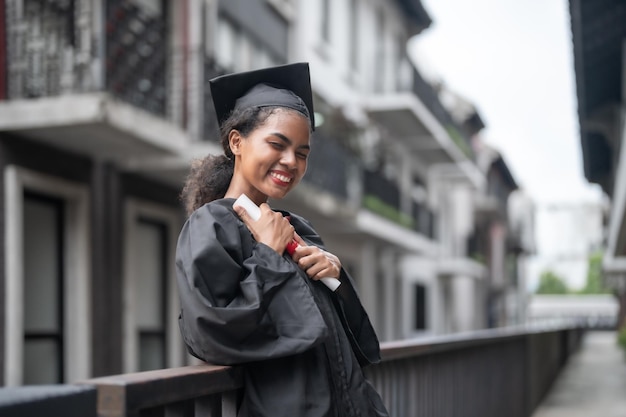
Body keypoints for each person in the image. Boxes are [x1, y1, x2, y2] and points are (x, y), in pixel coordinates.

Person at [175, 62, 389, 417]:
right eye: (277, 144)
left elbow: (338, 339)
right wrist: (268, 255)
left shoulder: (296, 228)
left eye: (302, 153)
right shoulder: (211, 225)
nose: (291, 161)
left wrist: (337, 280)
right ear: (236, 141)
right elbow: (212, 332)